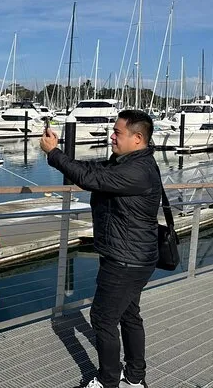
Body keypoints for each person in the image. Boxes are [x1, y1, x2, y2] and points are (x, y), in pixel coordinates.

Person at [40, 110, 160, 388]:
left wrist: (54, 153)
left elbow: (89, 179)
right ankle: (135, 379)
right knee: (129, 315)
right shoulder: (128, 162)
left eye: (117, 132)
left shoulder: (137, 171)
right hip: (130, 255)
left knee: (103, 318)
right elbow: (92, 170)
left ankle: (108, 381)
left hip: (125, 259)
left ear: (137, 138)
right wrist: (61, 154)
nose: (112, 136)